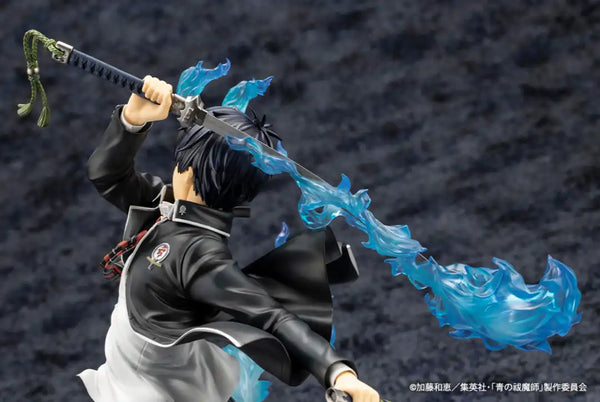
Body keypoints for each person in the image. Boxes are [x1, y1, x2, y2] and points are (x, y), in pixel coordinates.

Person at [78, 75, 380, 402]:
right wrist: (131, 122)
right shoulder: (168, 208)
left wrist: (337, 371)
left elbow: (271, 316)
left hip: (154, 391)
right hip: (138, 374)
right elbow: (108, 175)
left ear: (186, 171)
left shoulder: (199, 253)